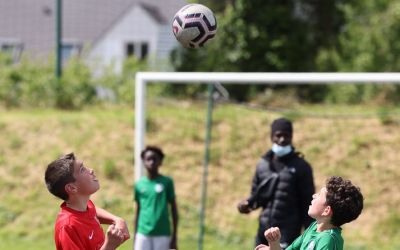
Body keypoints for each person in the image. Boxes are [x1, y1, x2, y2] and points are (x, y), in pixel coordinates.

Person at [238, 117, 315, 249]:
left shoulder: (301, 166)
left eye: (286, 136)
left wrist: (310, 236)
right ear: (271, 136)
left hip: (287, 233)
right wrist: (246, 205)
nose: (282, 140)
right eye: (278, 135)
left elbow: (307, 204)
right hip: (263, 230)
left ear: (291, 137)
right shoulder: (263, 164)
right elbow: (257, 196)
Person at [44, 152, 130, 250]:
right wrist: (109, 246)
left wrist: (116, 220)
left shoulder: (85, 206)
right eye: (82, 169)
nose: (91, 170)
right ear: (72, 188)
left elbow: (92, 211)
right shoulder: (67, 227)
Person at [255, 176, 364, 250]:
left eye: (319, 195)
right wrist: (274, 243)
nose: (314, 196)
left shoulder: (328, 240)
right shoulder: (314, 227)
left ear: (326, 211)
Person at [134, 146, 179, 250]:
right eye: (148, 159)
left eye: (155, 159)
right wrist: (136, 236)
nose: (151, 162)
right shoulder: (139, 184)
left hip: (162, 233)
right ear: (143, 162)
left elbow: (174, 209)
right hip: (143, 232)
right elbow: (138, 210)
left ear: (160, 162)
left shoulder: (167, 182)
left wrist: (175, 237)